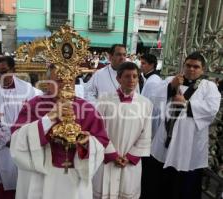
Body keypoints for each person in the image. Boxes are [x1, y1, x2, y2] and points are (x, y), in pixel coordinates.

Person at [10, 64, 114, 199]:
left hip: (75, 177)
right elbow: (17, 140)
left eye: (70, 80)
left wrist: (88, 143)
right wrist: (48, 119)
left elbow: (101, 140)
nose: (65, 84)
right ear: (47, 83)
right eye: (59, 80)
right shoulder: (34, 105)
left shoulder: (87, 108)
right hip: (41, 177)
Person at [149, 52, 221, 199]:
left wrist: (186, 104)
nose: (191, 69)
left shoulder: (209, 86)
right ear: (184, 66)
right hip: (165, 139)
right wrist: (171, 87)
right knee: (161, 183)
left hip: (189, 143)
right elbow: (154, 100)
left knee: (184, 186)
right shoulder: (172, 80)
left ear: (202, 69)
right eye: (188, 65)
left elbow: (211, 109)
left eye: (196, 67)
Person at [93, 62, 153, 199]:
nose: (131, 80)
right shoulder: (103, 101)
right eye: (127, 76)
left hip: (130, 161)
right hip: (107, 159)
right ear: (118, 79)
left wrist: (131, 156)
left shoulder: (146, 104)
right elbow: (98, 130)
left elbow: (146, 135)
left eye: (135, 76)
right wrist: (112, 154)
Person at [0, 56, 39, 199]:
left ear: (13, 70)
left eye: (4, 71)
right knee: (5, 184)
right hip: (2, 147)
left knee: (24, 182)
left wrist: (22, 138)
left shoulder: (28, 90)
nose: (0, 76)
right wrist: (5, 140)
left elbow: (35, 115)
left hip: (24, 143)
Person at [139, 55, 163, 198]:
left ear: (152, 65)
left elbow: (152, 108)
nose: (141, 65)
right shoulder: (150, 79)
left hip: (150, 125)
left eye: (144, 63)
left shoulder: (153, 82)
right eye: (141, 63)